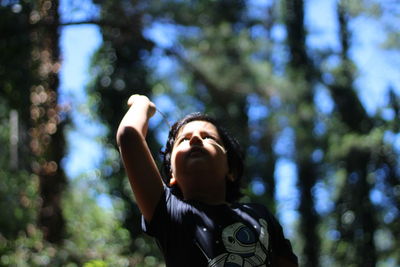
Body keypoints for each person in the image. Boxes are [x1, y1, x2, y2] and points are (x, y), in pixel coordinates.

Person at [116, 94, 298, 267]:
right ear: (172, 175)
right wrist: (142, 104)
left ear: (231, 170)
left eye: (207, 137)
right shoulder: (167, 211)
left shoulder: (260, 215)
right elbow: (129, 136)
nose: (195, 138)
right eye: (184, 140)